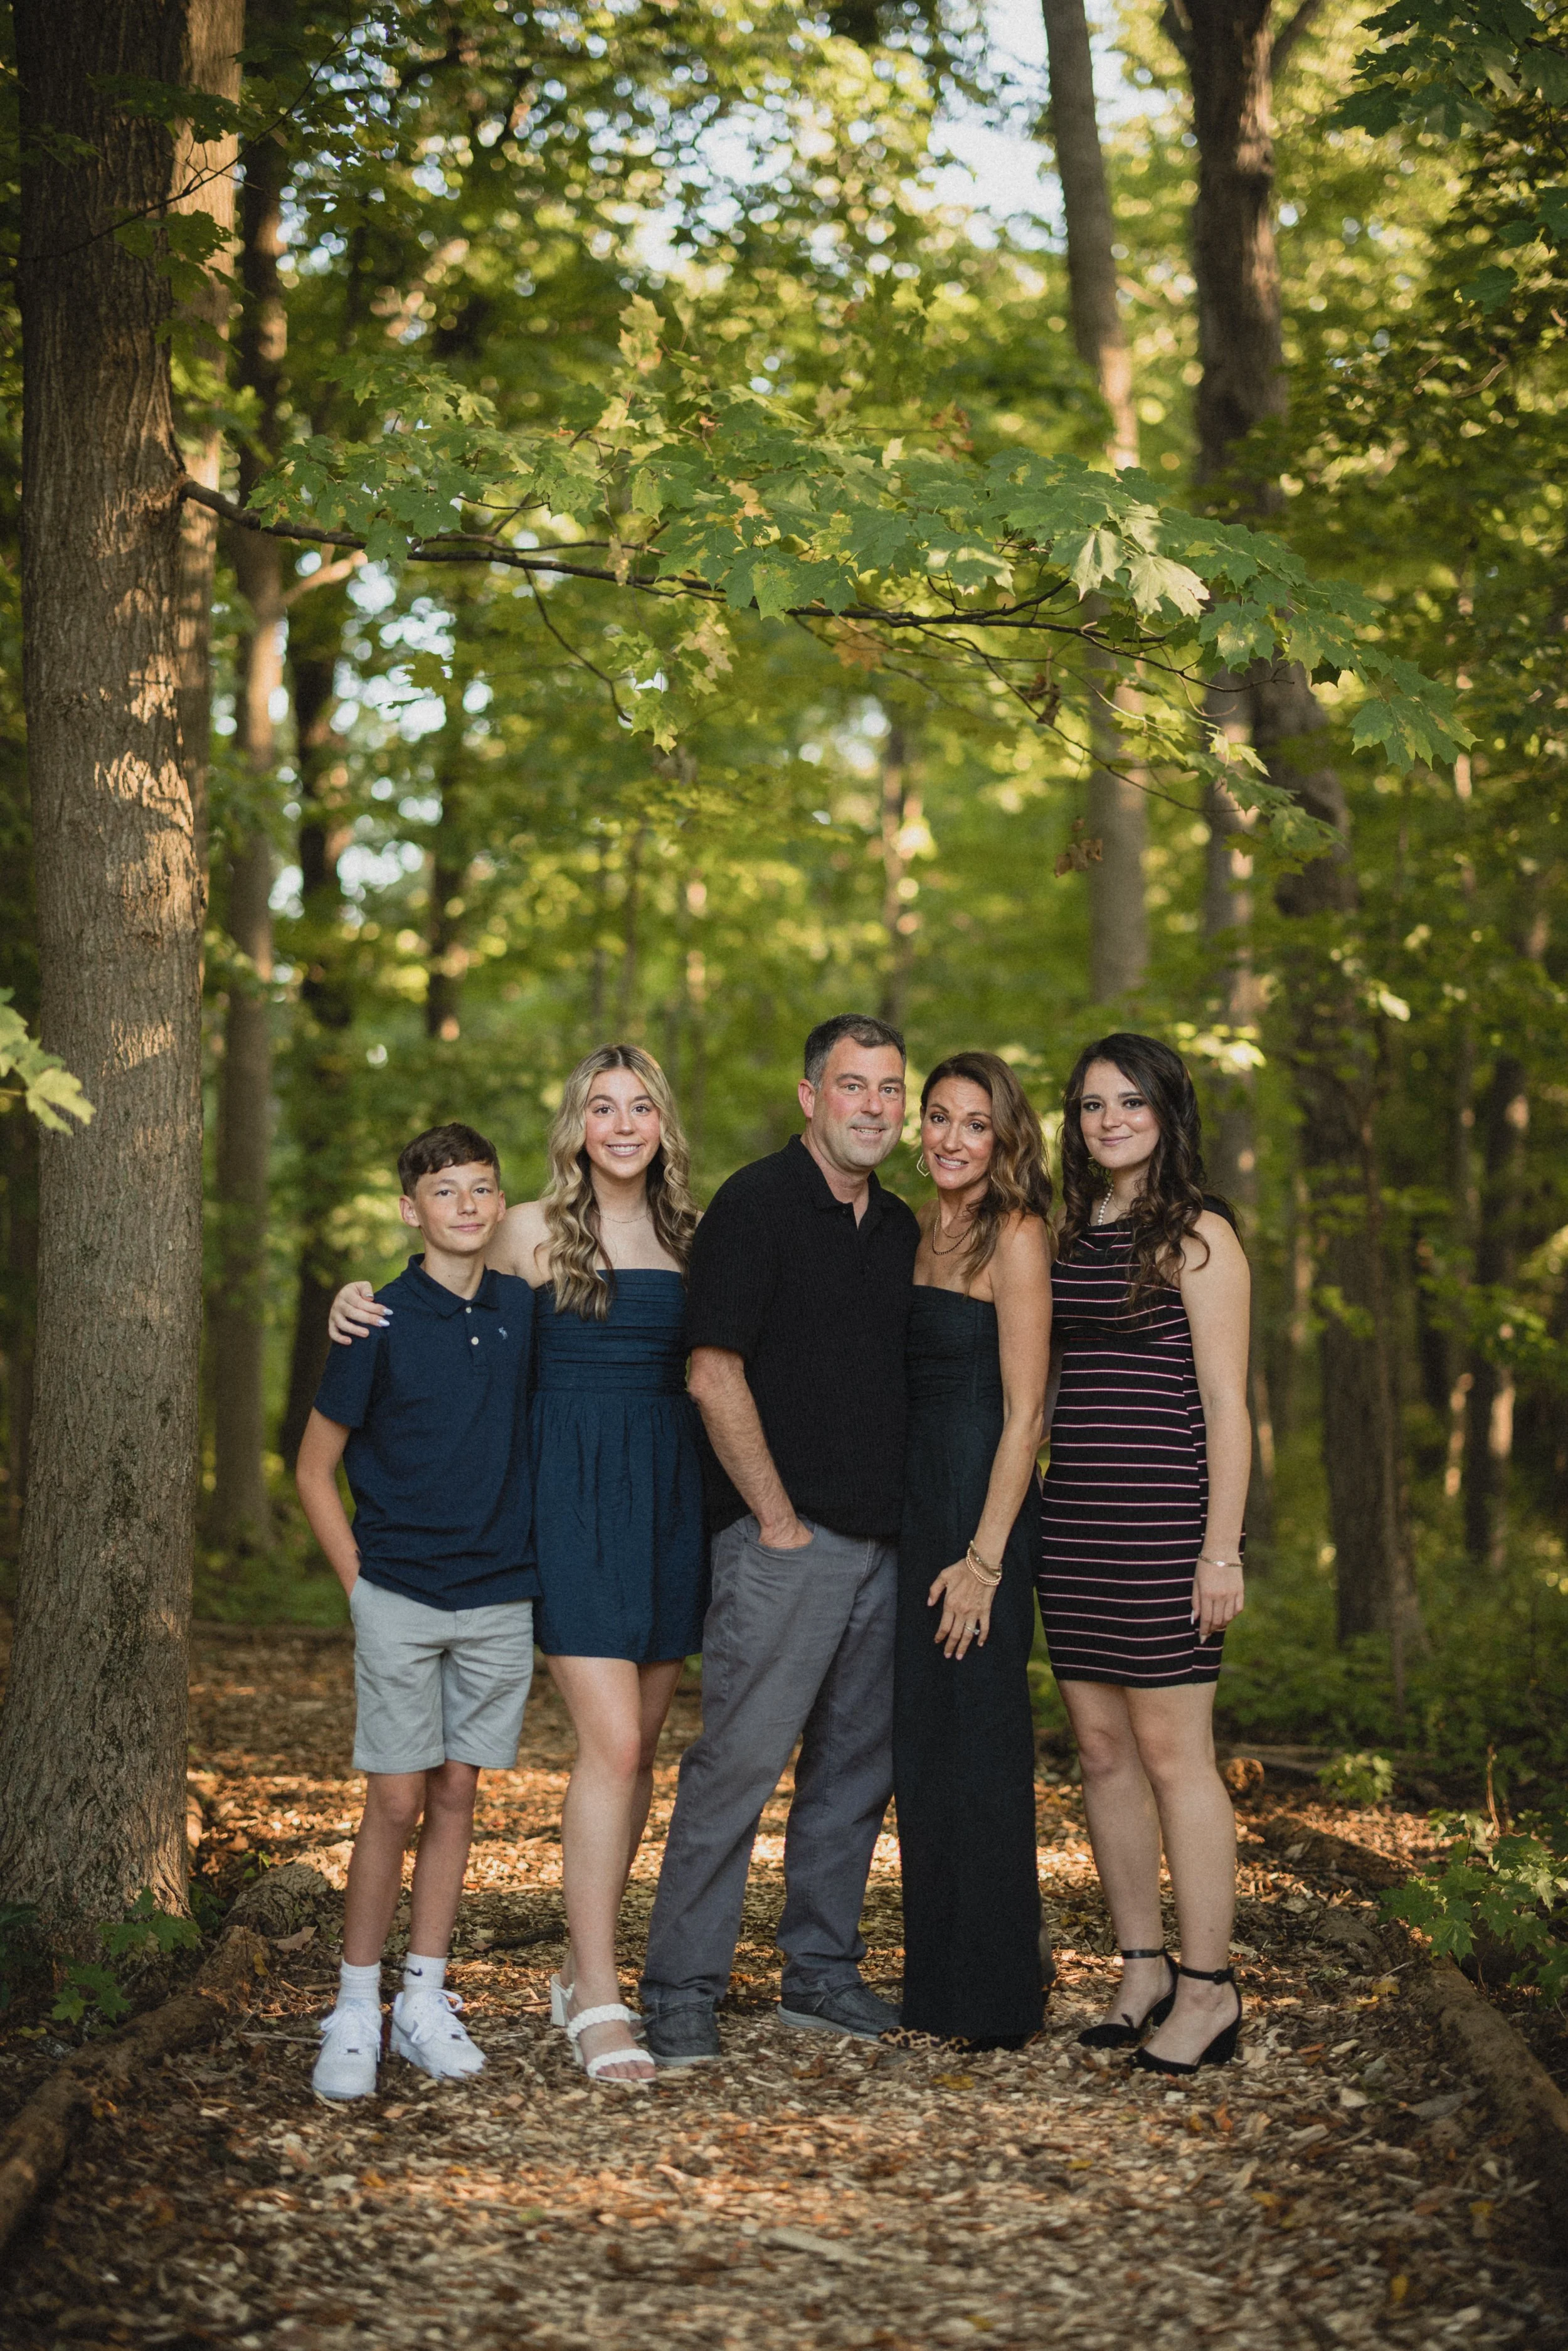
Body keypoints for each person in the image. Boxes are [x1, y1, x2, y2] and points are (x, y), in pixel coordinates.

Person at [329, 1046, 705, 2086]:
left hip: (669, 1503)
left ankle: (587, 1968)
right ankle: (595, 1992)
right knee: (616, 1746)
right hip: (568, 1505)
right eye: (601, 1106)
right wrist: (351, 1300)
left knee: (643, 1752)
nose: (622, 1123)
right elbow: (435, 1270)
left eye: (641, 1105)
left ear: (664, 1124)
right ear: (576, 1123)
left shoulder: (693, 1237)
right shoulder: (531, 1228)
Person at [639, 1013, 919, 2067]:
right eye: (854, 1087)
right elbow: (713, 1371)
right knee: (738, 1768)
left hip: (884, 1550)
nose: (875, 1107)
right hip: (782, 1549)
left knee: (854, 1773)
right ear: (812, 1097)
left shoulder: (898, 1230)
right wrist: (777, 1521)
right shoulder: (754, 1207)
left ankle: (820, 1975)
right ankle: (679, 1990)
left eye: (890, 1089)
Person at [298, 1123, 538, 2101]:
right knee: (394, 1800)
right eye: (447, 1191)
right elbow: (314, 1470)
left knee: (456, 1796)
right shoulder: (376, 1320)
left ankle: (422, 2000)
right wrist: (361, 1589)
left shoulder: (524, 1309)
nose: (468, 1205)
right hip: (399, 1592)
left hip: (498, 1596)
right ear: (412, 1208)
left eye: (484, 1188)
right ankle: (355, 2004)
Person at [1036, 1034, 1251, 2076]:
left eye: (1129, 1102)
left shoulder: (1202, 1238)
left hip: (1169, 1530)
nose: (1108, 1120)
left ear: (1168, 1112)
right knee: (1105, 1754)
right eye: (1089, 1107)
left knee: (1175, 1756)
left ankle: (1211, 1990)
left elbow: (1226, 1406)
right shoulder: (1072, 1235)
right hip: (1074, 1523)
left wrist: (1223, 1549)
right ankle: (1142, 1967)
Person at [894, 1053, 1054, 2048]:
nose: (953, 1139)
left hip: (981, 1513)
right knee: (925, 1747)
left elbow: (1029, 1412)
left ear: (1004, 1139)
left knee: (983, 1744)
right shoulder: (911, 1230)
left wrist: (985, 1560)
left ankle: (998, 1994)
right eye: (940, 1119)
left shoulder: (1019, 1237)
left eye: (975, 1124)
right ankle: (937, 1988)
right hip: (913, 1510)